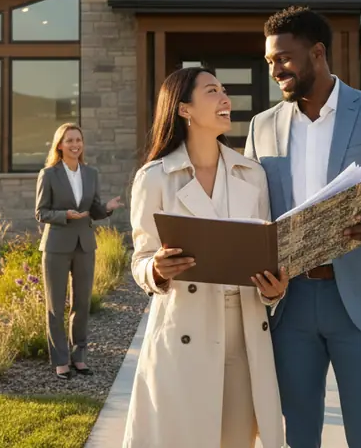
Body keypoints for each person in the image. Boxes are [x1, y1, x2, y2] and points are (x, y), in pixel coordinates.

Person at [244, 6, 361, 448]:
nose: (275, 70)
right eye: (270, 62)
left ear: (318, 53)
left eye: (284, 58)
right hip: (289, 305)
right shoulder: (261, 126)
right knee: (297, 435)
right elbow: (251, 211)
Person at [123, 66, 289, 448]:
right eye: (212, 91)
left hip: (244, 335)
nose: (225, 99)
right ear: (184, 109)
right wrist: (157, 270)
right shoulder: (155, 178)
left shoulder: (252, 174)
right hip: (183, 331)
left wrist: (274, 289)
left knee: (237, 441)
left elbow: (264, 252)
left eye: (225, 91)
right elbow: (141, 258)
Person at [35, 122, 123, 379]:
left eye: (78, 140)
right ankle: (60, 360)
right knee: (55, 305)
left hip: (85, 245)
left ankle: (79, 356)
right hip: (56, 246)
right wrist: (65, 215)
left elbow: (93, 209)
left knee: (82, 304)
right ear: (60, 145)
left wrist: (106, 207)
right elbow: (41, 212)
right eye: (70, 140)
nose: (75, 145)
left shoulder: (90, 173)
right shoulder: (49, 174)